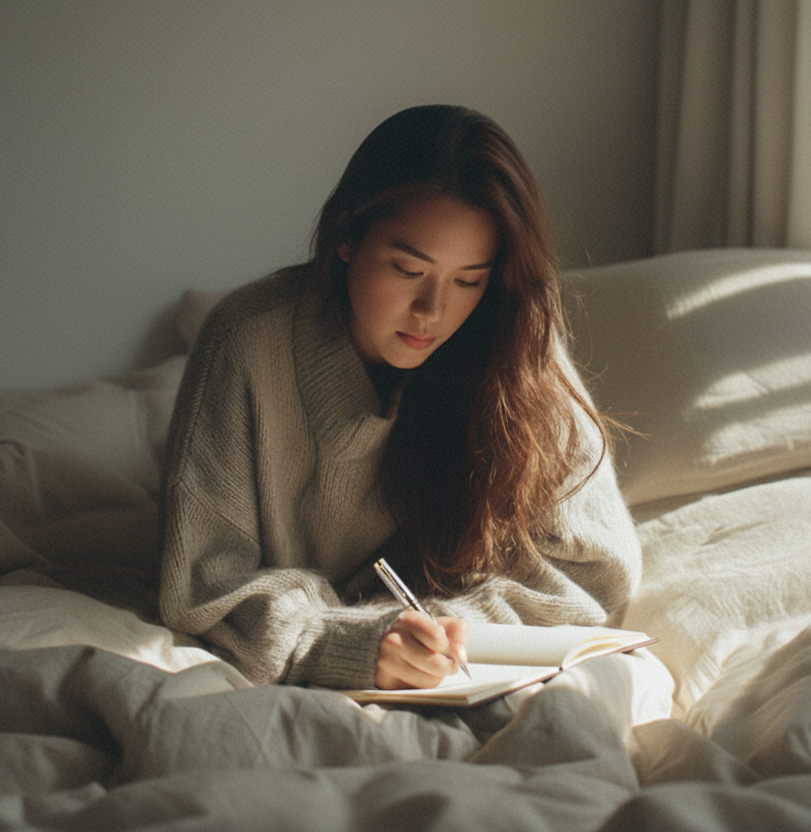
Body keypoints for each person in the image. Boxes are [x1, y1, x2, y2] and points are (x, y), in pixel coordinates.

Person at [159, 104, 640, 691]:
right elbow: (206, 582)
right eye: (408, 269)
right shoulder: (246, 340)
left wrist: (451, 628)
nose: (433, 312)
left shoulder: (514, 337)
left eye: (469, 280)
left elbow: (598, 569)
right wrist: (352, 645)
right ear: (344, 234)